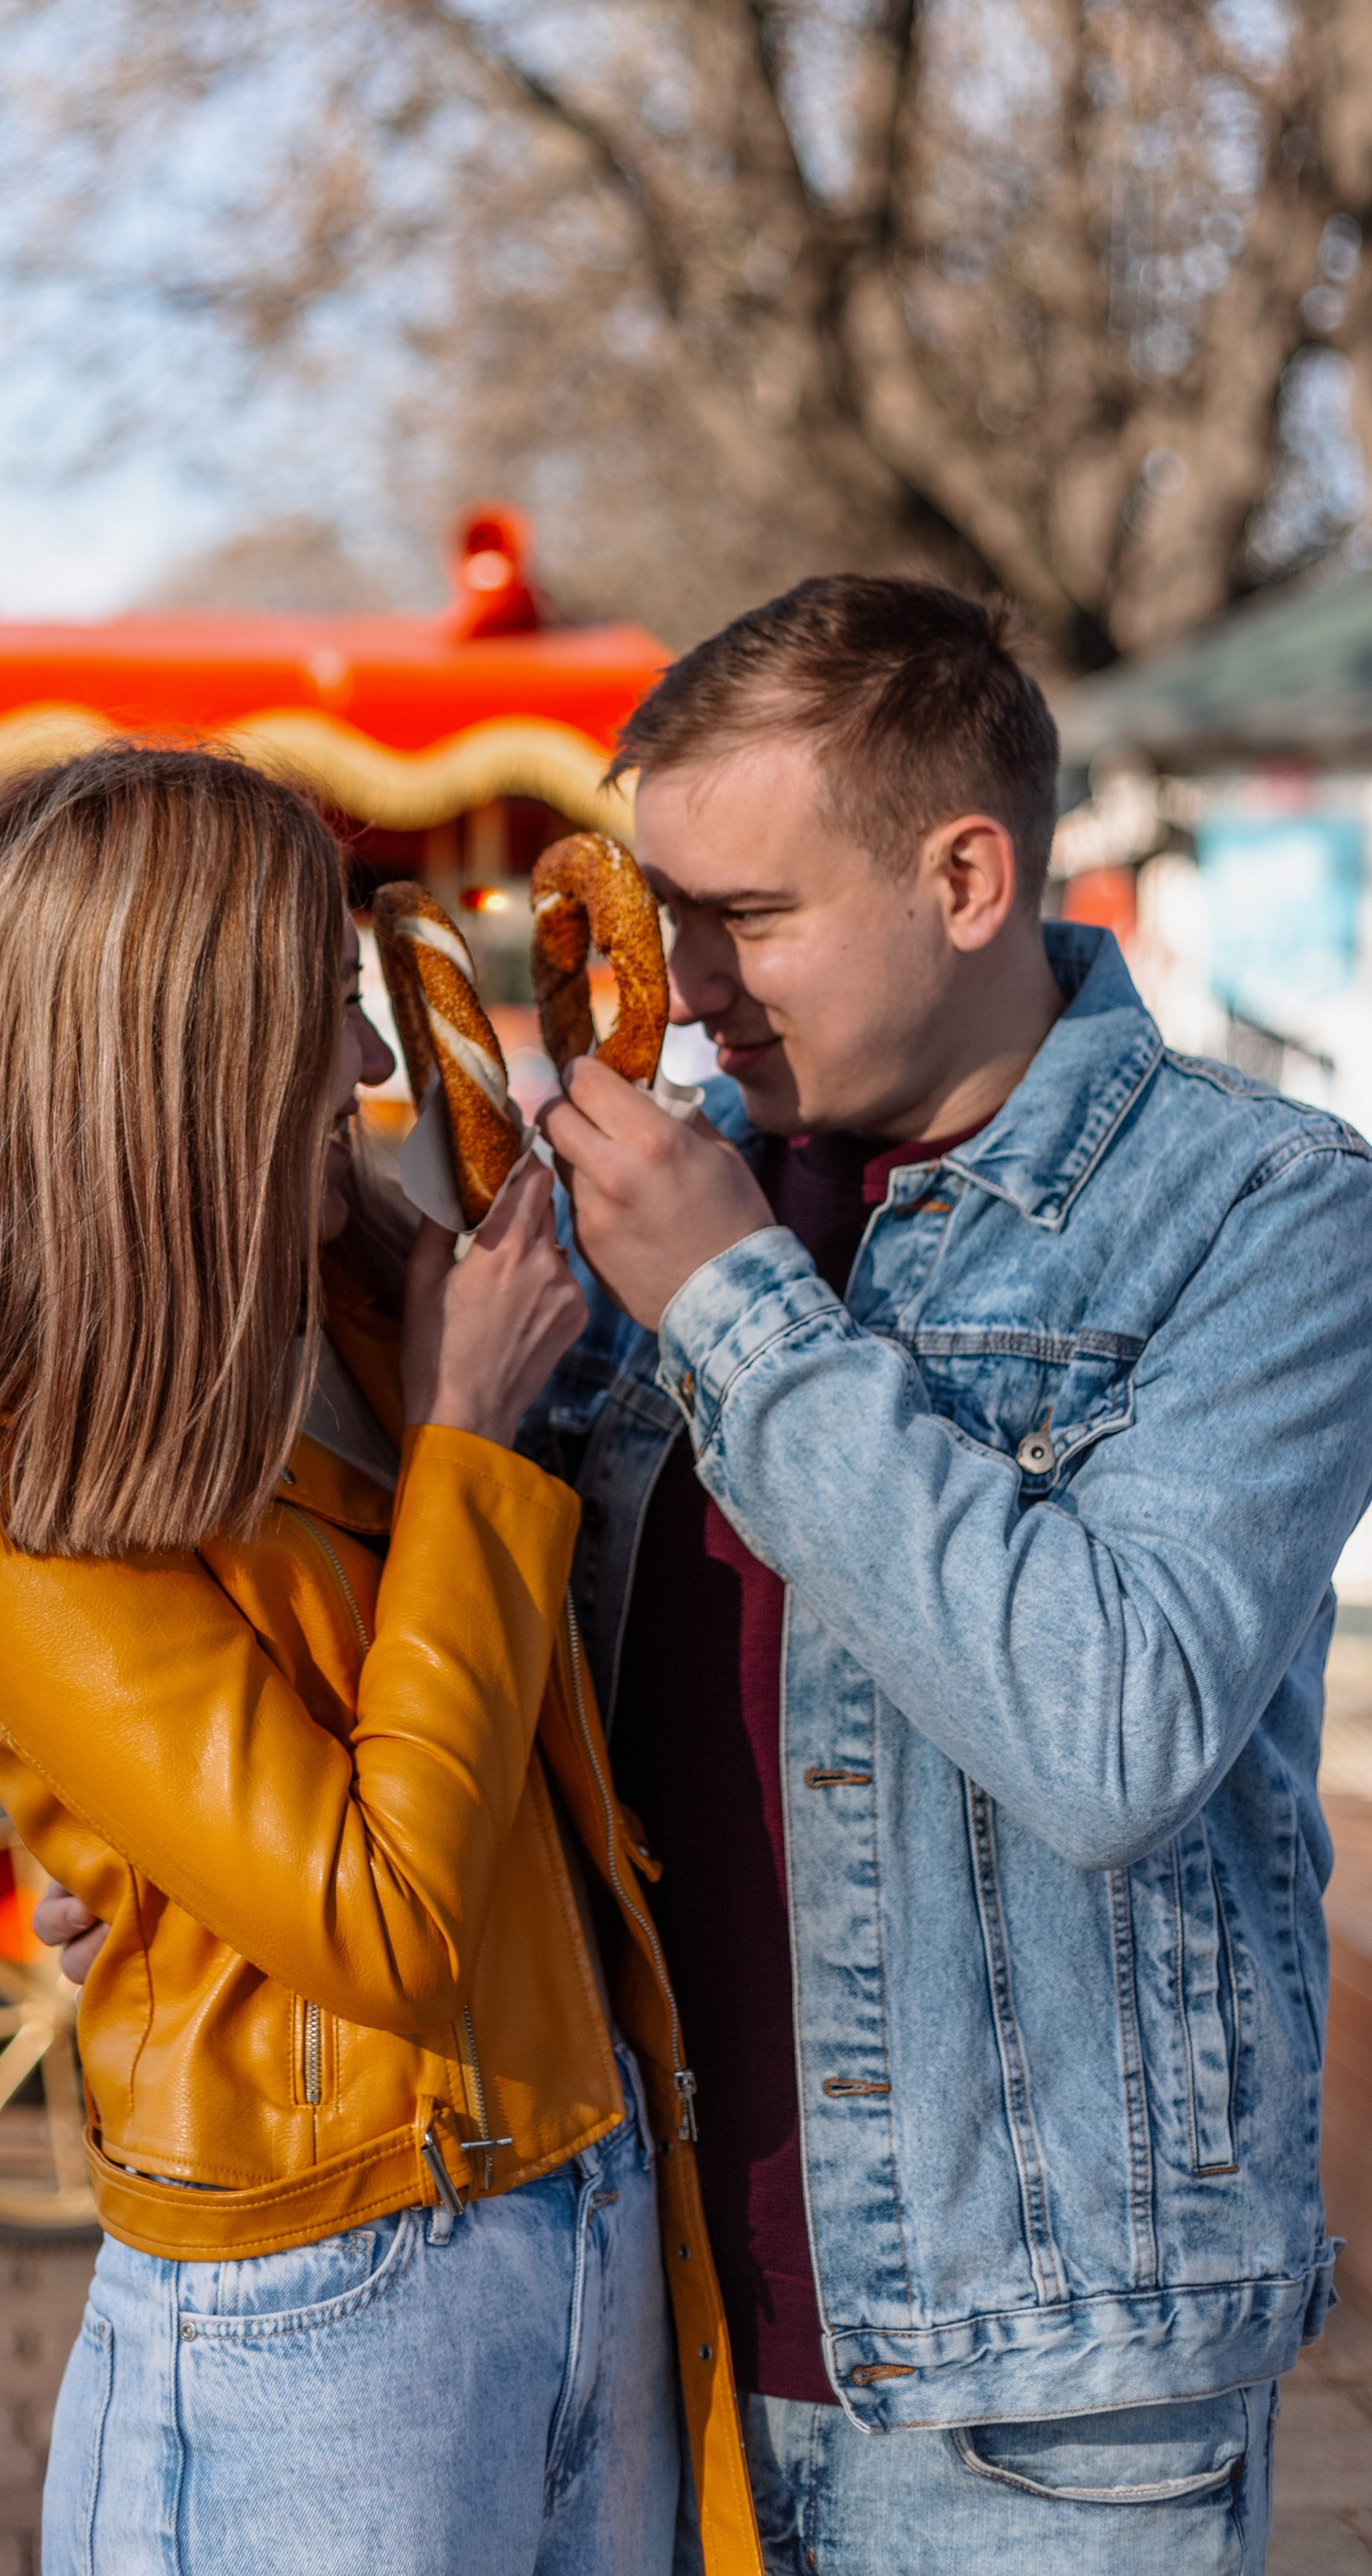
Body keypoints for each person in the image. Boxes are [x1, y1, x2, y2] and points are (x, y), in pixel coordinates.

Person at [0, 745, 763, 2576]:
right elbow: (383, 1926)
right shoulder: (6, 1481)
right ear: (190, 1054)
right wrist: (469, 1442)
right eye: (328, 1017)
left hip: (585, 2194)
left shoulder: (357, 1300)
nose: (376, 1070)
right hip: (326, 2297)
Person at [527, 574, 1372, 2575]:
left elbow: (1111, 1728)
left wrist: (736, 1310)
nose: (688, 983)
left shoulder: (1263, 1218)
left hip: (1041, 2409)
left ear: (966, 876)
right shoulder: (620, 1219)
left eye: (746, 916)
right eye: (664, 918)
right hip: (626, 2338)